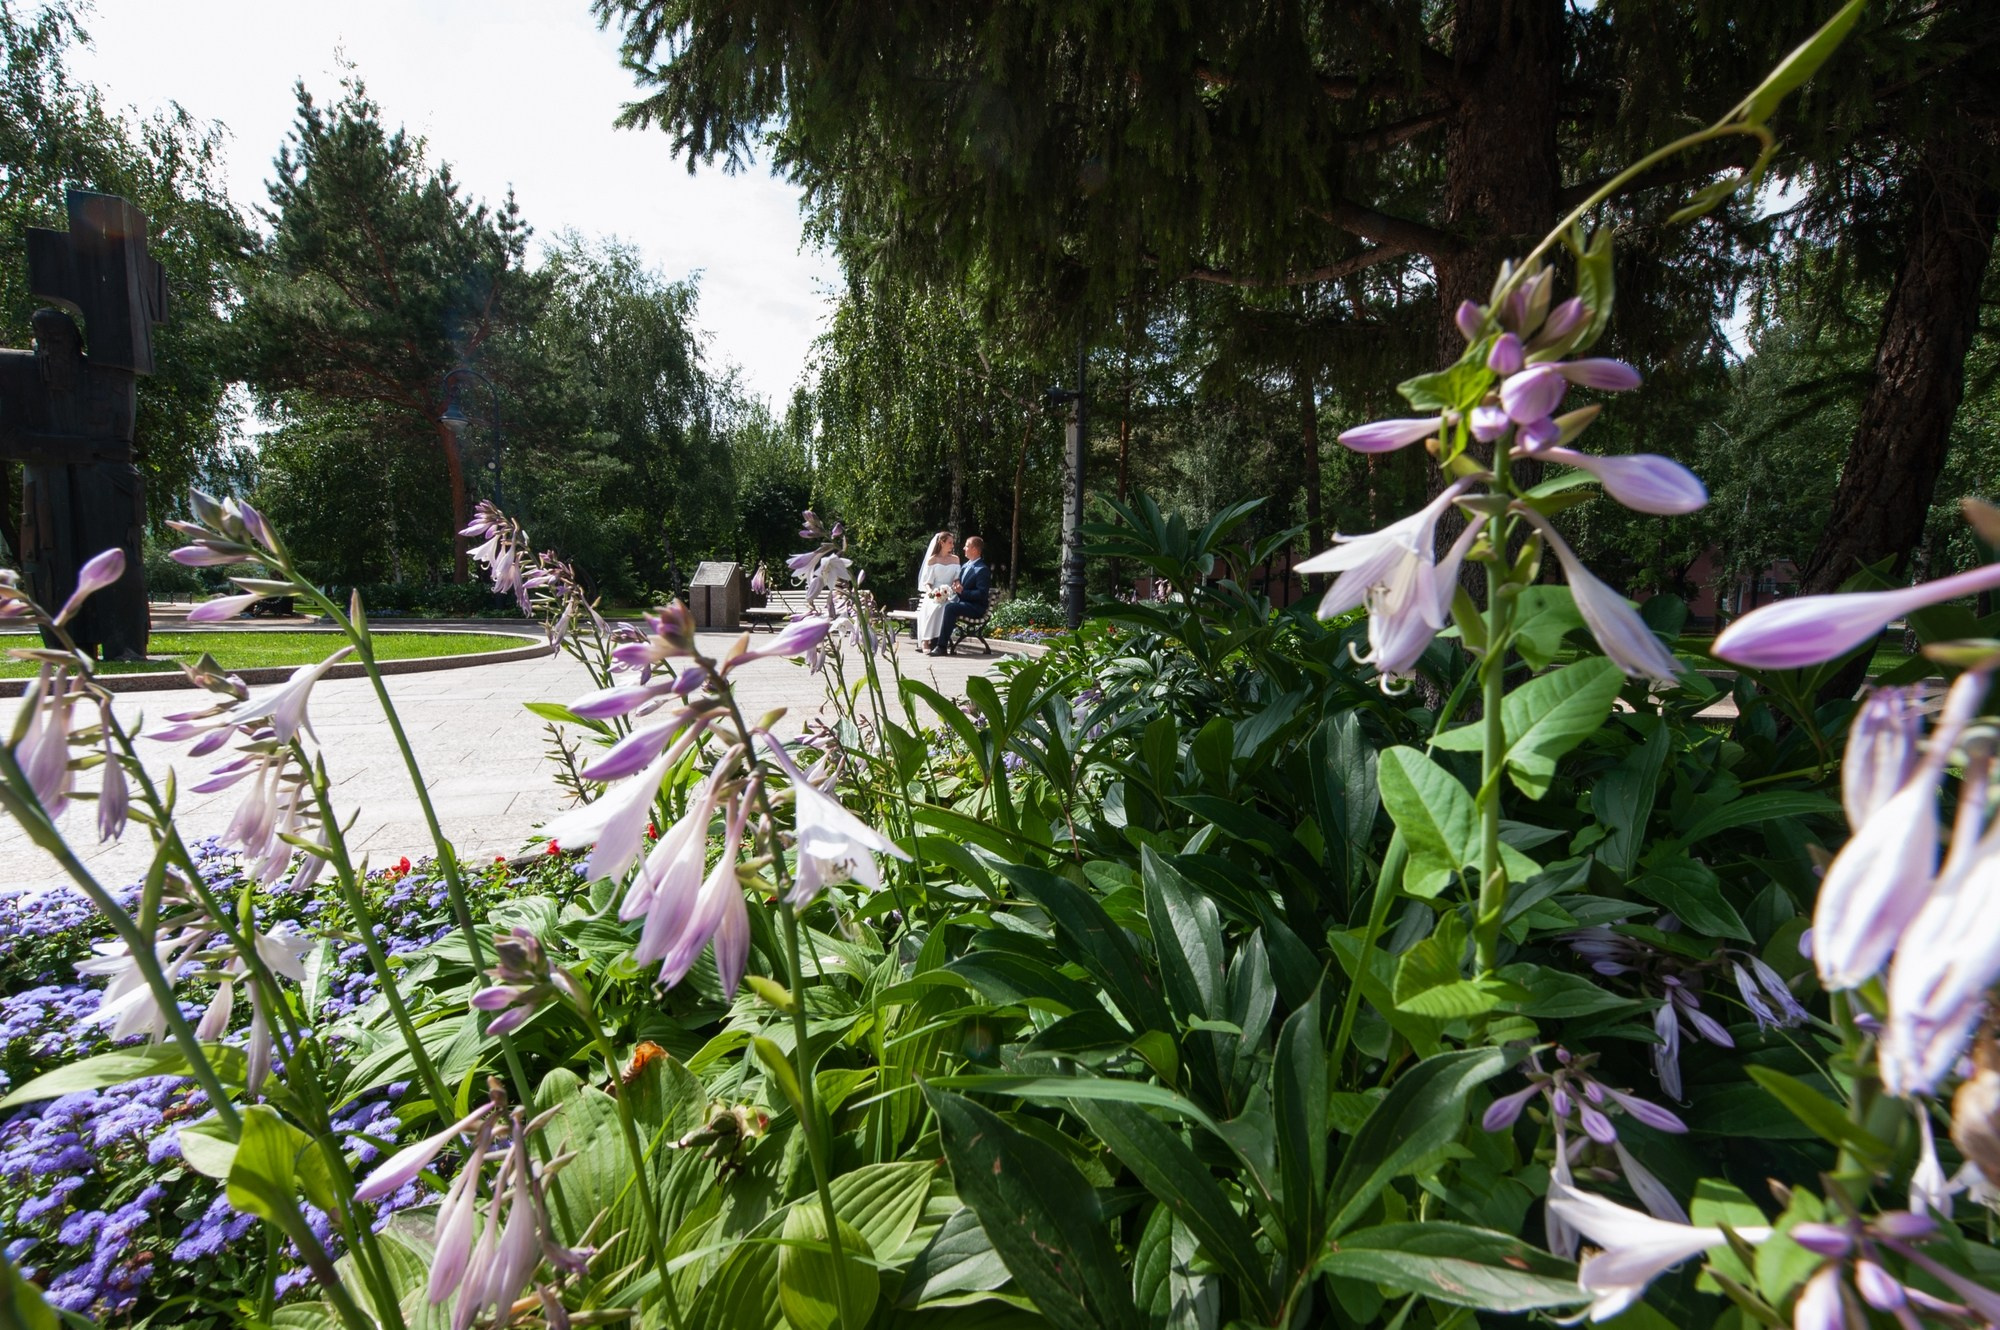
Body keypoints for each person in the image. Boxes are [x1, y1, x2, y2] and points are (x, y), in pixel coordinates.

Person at [932, 535, 991, 655]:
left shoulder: (982, 569)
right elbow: (958, 581)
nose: (964, 548)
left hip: (975, 608)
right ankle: (933, 641)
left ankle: (942, 646)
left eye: (966, 546)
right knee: (941, 604)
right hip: (963, 603)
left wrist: (962, 592)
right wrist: (956, 584)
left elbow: (982, 594)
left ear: (974, 549)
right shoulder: (965, 566)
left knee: (950, 608)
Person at [914, 530, 959, 650]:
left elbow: (956, 579)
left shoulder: (955, 559)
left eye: (952, 543)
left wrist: (954, 587)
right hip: (935, 593)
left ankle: (931, 639)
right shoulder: (932, 560)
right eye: (950, 542)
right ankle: (926, 640)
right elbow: (928, 583)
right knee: (935, 606)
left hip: (950, 593)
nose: (952, 545)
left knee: (944, 607)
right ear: (942, 543)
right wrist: (931, 593)